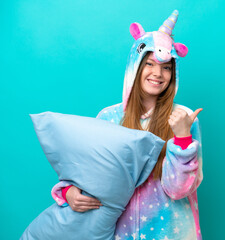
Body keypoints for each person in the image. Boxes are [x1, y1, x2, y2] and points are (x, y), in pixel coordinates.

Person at [51, 10, 203, 240]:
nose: (158, 73)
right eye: (149, 63)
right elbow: (87, 173)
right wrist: (68, 191)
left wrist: (182, 139)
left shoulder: (184, 118)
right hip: (120, 234)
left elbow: (178, 190)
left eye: (166, 67)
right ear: (135, 65)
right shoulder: (108, 118)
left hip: (172, 233)